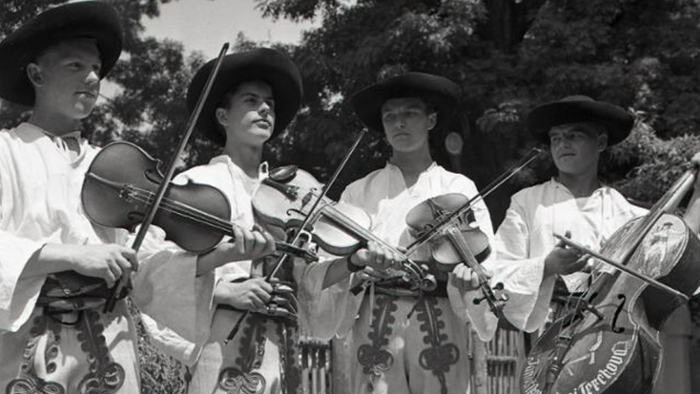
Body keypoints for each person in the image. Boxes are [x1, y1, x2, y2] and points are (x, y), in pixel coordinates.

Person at [0, 3, 272, 392]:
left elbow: (147, 269)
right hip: (29, 345)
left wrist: (224, 254)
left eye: (97, 69)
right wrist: (72, 255)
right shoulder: (6, 151)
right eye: (76, 66)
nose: (93, 78)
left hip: (112, 344)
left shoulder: (112, 164)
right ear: (35, 74)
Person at [307, 72, 500, 394]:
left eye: (410, 113)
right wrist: (359, 260)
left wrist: (469, 277)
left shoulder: (458, 188)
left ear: (431, 120)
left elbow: (485, 261)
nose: (399, 123)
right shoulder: (359, 191)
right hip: (376, 320)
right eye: (390, 116)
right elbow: (326, 267)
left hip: (439, 317)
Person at [492, 95, 700, 393]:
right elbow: (498, 272)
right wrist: (547, 266)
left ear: (600, 142)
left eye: (574, 135)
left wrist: (698, 192)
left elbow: (681, 249)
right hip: (548, 337)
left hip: (611, 339)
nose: (562, 144)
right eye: (556, 138)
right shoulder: (528, 203)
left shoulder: (627, 215)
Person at [174, 48, 325, 394]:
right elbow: (158, 266)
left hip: (284, 343)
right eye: (251, 100)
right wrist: (222, 289)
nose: (266, 109)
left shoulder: (293, 194)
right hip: (223, 335)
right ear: (223, 116)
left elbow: (312, 278)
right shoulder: (195, 184)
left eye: (270, 102)